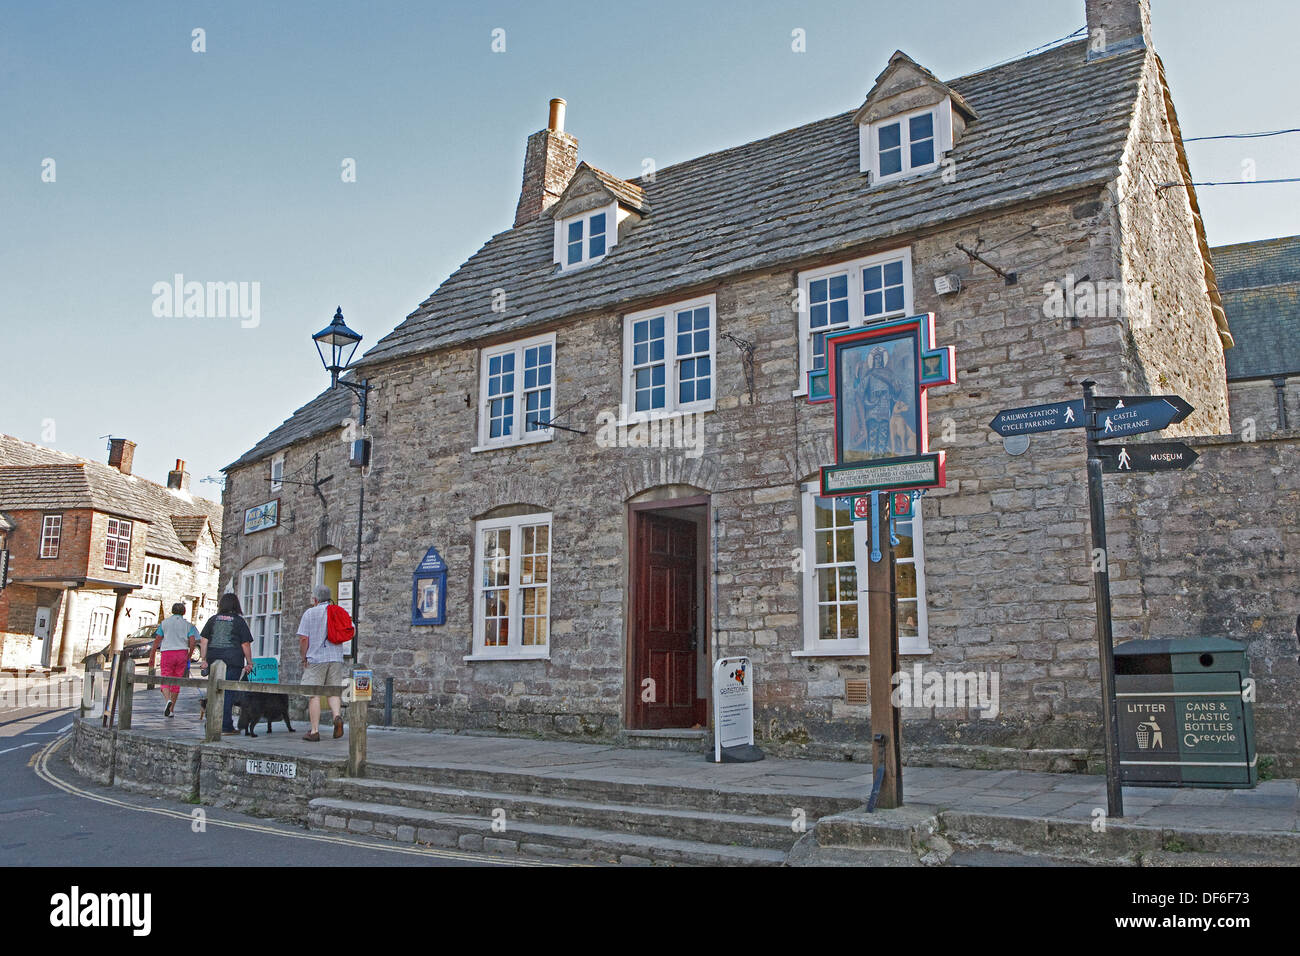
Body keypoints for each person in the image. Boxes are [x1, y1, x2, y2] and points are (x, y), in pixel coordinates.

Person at [200, 592, 255, 735]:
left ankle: (211, 723)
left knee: (213, 692)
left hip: (214, 660)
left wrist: (204, 659)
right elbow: (245, 644)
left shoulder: (213, 619)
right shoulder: (238, 621)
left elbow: (204, 640)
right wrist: (249, 662)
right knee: (228, 693)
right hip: (232, 660)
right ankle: (225, 726)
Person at [298, 584, 345, 742]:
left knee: (314, 693)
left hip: (316, 658)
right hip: (336, 657)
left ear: (315, 599)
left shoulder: (310, 613)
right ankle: (337, 717)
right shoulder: (337, 611)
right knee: (333, 691)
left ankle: (314, 731)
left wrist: (304, 656)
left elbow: (304, 639)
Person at [148, 603, 198, 718]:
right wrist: (189, 655)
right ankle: (171, 710)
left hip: (167, 653)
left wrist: (152, 656)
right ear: (184, 612)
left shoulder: (164, 623)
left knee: (165, 678)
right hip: (181, 653)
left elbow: (157, 640)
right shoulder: (188, 625)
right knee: (176, 681)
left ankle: (167, 701)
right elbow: (192, 641)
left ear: (172, 611)